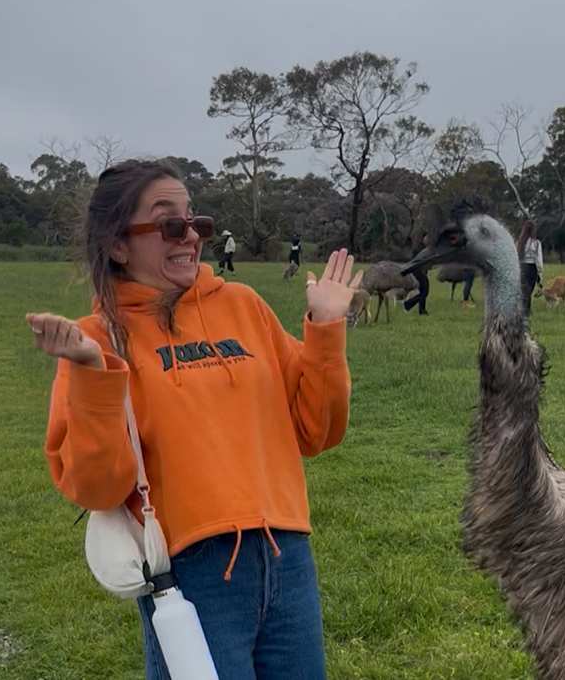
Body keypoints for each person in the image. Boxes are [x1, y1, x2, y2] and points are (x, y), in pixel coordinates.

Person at [25, 159, 362, 679]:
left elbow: (318, 429)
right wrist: (94, 374)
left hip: (287, 555)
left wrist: (325, 329)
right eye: (169, 224)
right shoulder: (97, 337)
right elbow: (97, 487)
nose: (190, 236)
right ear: (118, 244)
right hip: (191, 573)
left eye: (195, 221)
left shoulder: (244, 306)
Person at [517, 219, 543, 318]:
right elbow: (539, 259)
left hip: (522, 267)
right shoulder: (536, 243)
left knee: (525, 290)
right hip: (532, 268)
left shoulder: (520, 242)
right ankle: (526, 311)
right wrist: (540, 274)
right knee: (529, 291)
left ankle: (524, 310)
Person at [403, 233, 430, 315]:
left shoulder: (427, 249)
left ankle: (422, 310)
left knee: (424, 291)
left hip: (421, 271)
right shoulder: (421, 249)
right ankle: (408, 304)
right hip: (418, 271)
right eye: (427, 238)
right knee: (425, 291)